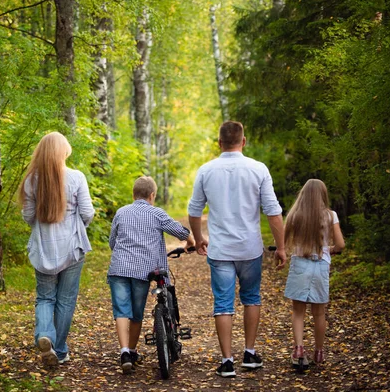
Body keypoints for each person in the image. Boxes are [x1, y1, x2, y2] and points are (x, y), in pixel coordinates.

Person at [188, 121, 287, 378]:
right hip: (249, 248)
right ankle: (250, 353)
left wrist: (199, 238)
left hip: (220, 250)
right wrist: (282, 248)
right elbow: (273, 212)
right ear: (243, 142)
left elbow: (194, 210)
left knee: (223, 303)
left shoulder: (206, 170)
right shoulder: (258, 169)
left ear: (219, 143)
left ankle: (227, 360)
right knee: (251, 298)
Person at [20, 132, 95, 366]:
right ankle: (60, 350)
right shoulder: (76, 177)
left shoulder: (31, 180)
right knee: (65, 300)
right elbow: (87, 213)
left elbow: (28, 215)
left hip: (43, 248)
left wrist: (43, 228)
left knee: (45, 298)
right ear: (63, 152)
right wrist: (74, 226)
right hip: (72, 249)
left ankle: (45, 335)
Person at [108, 176, 195, 374]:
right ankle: (131, 350)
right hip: (142, 272)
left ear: (133, 194)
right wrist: (191, 242)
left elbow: (112, 242)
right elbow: (179, 231)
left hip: (118, 269)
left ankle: (124, 353)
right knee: (136, 314)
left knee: (121, 311)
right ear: (152, 195)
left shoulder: (121, 212)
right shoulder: (156, 213)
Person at [283, 179, 345, 368]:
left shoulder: (295, 215)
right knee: (319, 313)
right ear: (323, 195)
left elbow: (285, 242)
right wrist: (331, 249)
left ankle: (299, 349)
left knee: (298, 311)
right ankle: (319, 352)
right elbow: (341, 245)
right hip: (321, 266)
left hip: (300, 263)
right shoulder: (330, 215)